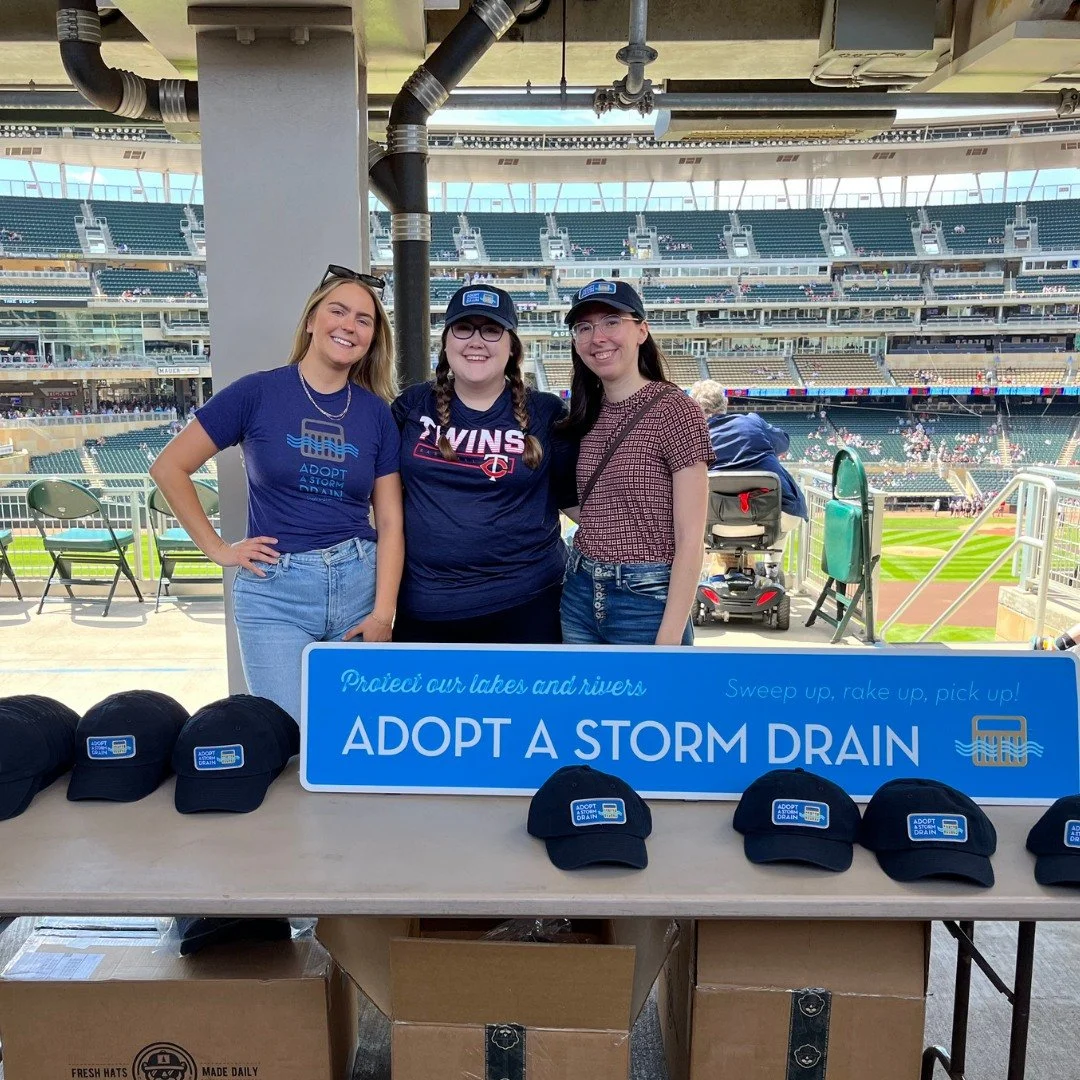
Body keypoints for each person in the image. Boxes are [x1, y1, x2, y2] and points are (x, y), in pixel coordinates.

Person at [150, 265, 403, 721]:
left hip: (358, 587)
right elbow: (169, 467)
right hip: (275, 595)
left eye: (364, 320)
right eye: (338, 311)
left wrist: (384, 611)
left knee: (354, 735)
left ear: (372, 338)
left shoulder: (376, 413)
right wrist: (218, 549)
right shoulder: (257, 393)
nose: (349, 325)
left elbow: (389, 522)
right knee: (288, 736)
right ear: (311, 320)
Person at [391, 285, 576, 643]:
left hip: (529, 604)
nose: (476, 341)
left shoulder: (546, 413)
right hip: (427, 608)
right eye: (464, 328)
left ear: (511, 347)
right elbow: (366, 490)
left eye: (491, 330)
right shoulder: (412, 407)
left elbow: (576, 502)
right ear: (446, 343)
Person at [558, 279, 711, 646]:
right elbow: (594, 505)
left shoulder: (676, 410)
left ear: (641, 330)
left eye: (612, 321)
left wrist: (670, 638)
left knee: (652, 704)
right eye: (584, 327)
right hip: (579, 589)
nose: (598, 337)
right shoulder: (586, 413)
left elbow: (691, 538)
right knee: (581, 705)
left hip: (645, 597)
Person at [687, 380, 809, 538]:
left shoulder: (691, 436)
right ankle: (773, 562)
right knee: (780, 524)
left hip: (715, 521)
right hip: (778, 516)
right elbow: (783, 443)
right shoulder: (753, 421)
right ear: (725, 403)